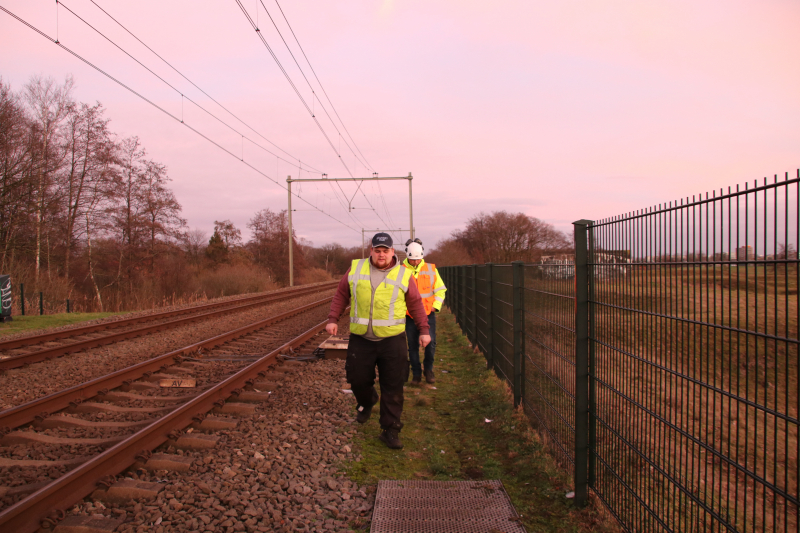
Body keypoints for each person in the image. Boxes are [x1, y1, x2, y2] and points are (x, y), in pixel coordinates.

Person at [326, 232, 431, 450]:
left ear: (393, 252)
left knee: (393, 386)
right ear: (371, 251)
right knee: (357, 380)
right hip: (361, 339)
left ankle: (390, 430)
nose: (381, 255)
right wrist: (333, 319)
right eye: (377, 250)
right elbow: (341, 294)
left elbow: (416, 304)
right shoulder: (355, 269)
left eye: (385, 251)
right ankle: (366, 402)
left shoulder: (403, 275)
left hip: (392, 341)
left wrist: (424, 330)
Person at [403, 238, 446, 384]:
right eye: (412, 260)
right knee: (412, 345)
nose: (415, 262)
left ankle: (429, 370)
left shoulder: (431, 269)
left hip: (428, 313)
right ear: (407, 256)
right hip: (409, 315)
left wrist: (436, 305)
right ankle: (416, 374)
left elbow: (440, 290)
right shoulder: (400, 270)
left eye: (417, 259)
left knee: (431, 343)